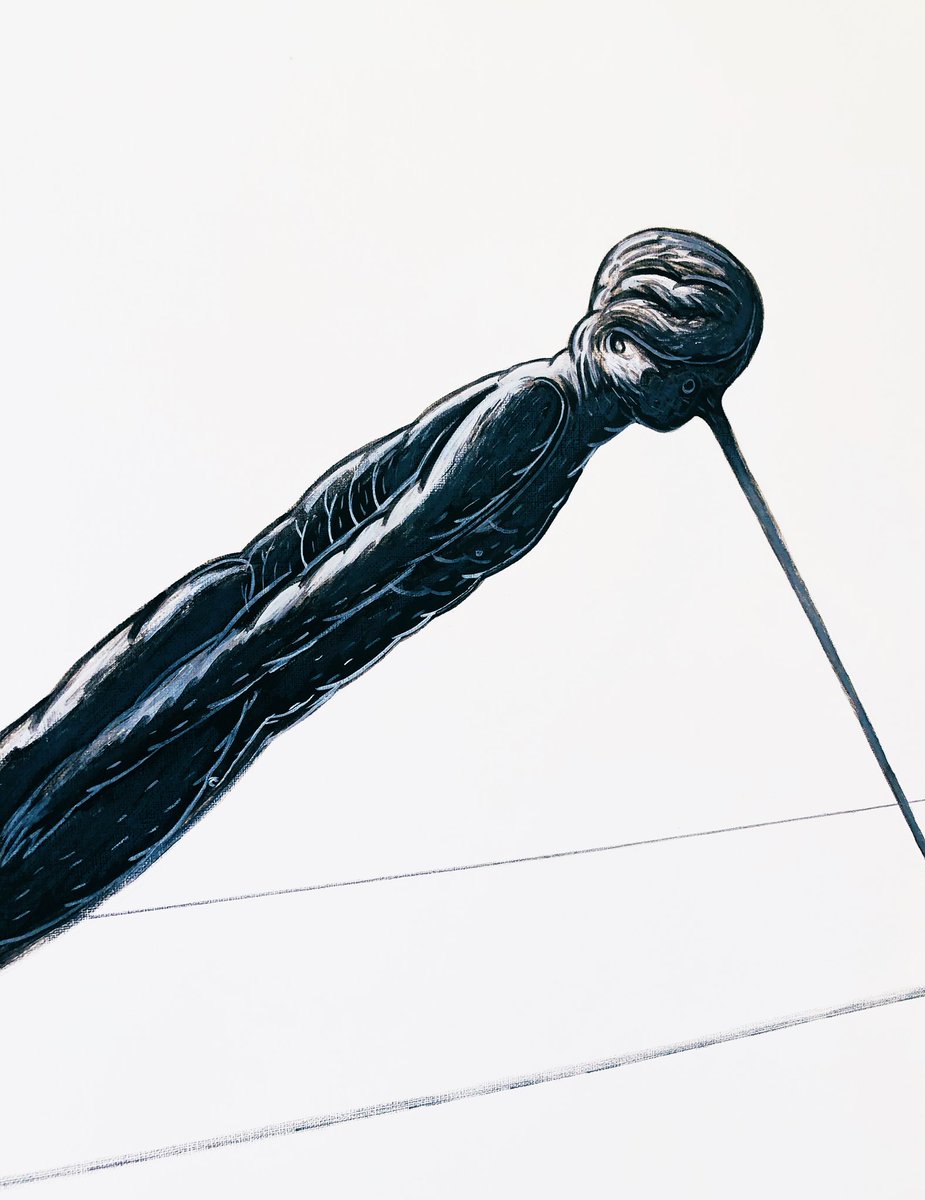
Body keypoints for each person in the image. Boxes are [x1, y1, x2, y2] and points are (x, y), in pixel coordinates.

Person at [0, 229, 762, 968]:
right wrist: (164, 722)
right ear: (620, 339)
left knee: (55, 865)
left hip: (262, 677)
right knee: (51, 836)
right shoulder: (538, 410)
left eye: (712, 379)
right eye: (689, 371)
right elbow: (349, 574)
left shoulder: (567, 433)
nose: (698, 397)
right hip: (237, 647)